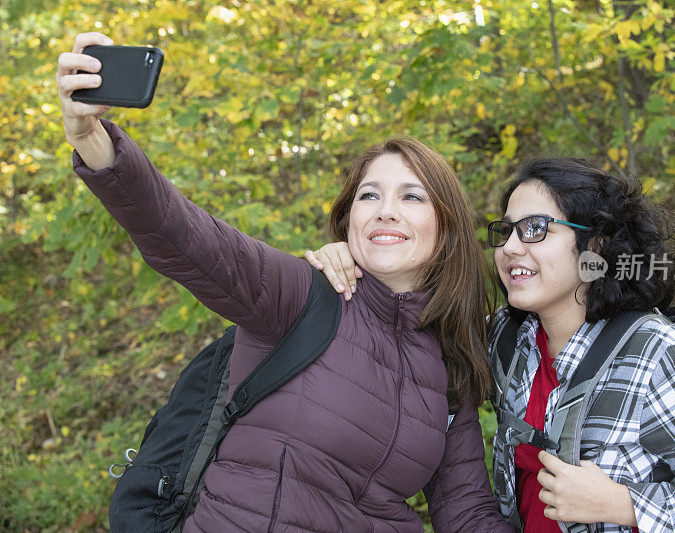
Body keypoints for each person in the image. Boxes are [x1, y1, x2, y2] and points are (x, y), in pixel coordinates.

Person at [57, 32, 513, 532]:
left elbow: (466, 513)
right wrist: (92, 139)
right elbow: (183, 236)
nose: (385, 211)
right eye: (368, 196)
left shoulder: (449, 364)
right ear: (347, 220)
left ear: (446, 228)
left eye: (411, 197)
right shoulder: (302, 295)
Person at [306, 158, 675, 532]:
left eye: (535, 229)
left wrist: (625, 505)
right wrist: (351, 260)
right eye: (507, 230)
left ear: (595, 245)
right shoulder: (509, 342)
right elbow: (413, 333)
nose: (512, 247)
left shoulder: (655, 355)